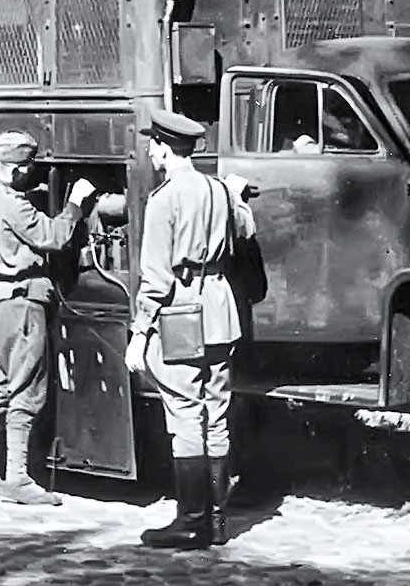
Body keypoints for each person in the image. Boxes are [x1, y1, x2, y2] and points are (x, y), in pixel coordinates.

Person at [125, 109, 257, 550]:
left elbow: (157, 277)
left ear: (164, 148)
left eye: (152, 144)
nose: (148, 150)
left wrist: (140, 332)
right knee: (216, 416)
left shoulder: (164, 200)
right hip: (221, 312)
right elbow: (245, 232)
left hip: (182, 314)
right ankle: (218, 523)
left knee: (184, 414)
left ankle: (190, 521)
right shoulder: (220, 191)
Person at [0, 130, 97, 506]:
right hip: (24, 310)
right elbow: (54, 236)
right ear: (18, 169)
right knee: (26, 393)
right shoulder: (14, 205)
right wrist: (75, 204)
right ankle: (18, 480)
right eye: (29, 169)